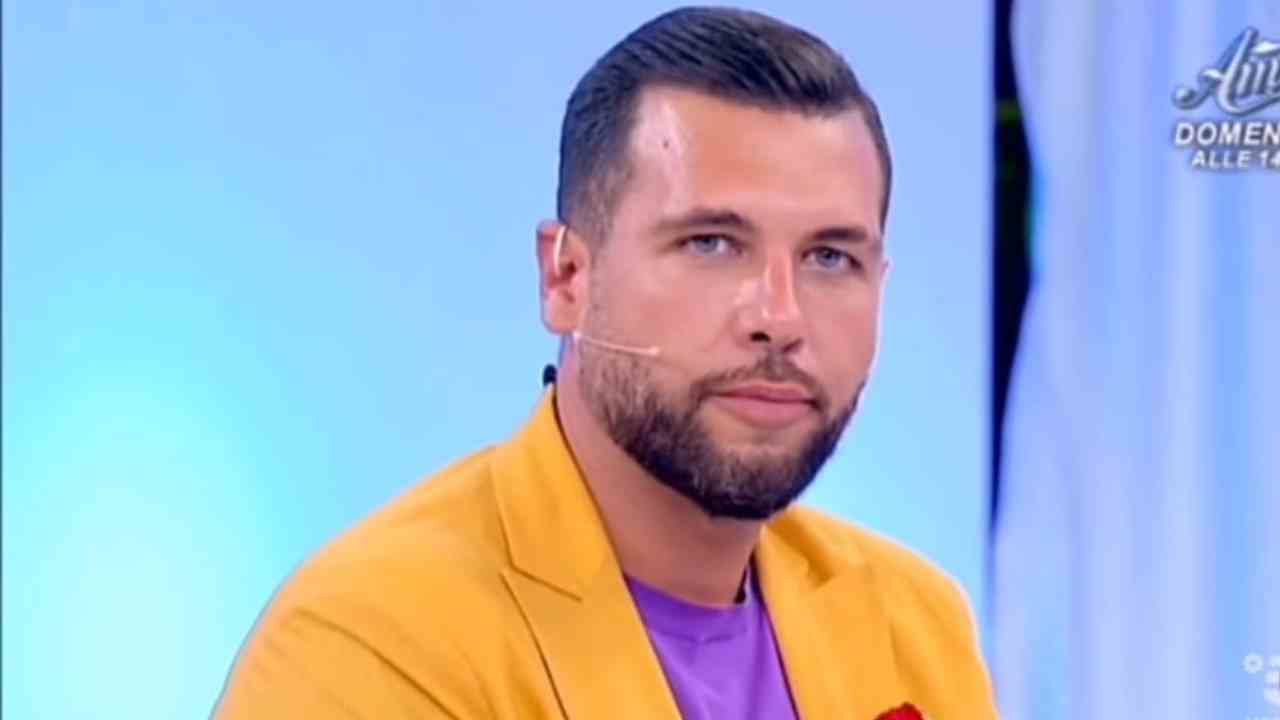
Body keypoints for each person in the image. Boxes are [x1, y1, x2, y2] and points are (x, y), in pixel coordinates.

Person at [213, 6, 999, 719]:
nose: (779, 318)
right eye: (711, 244)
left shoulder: (915, 624)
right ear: (566, 279)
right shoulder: (372, 643)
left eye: (830, 257)